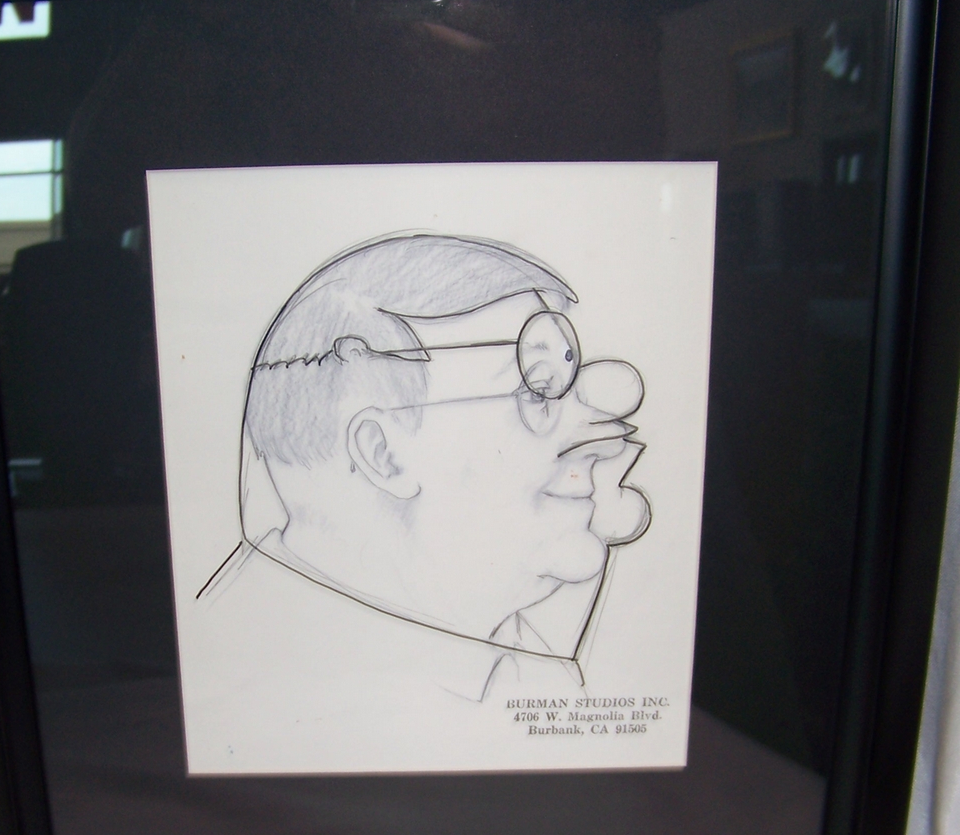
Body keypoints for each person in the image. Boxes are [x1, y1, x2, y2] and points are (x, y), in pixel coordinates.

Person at [184, 232, 651, 773]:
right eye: (536, 388)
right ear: (383, 454)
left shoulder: (531, 675)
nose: (600, 432)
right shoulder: (247, 697)